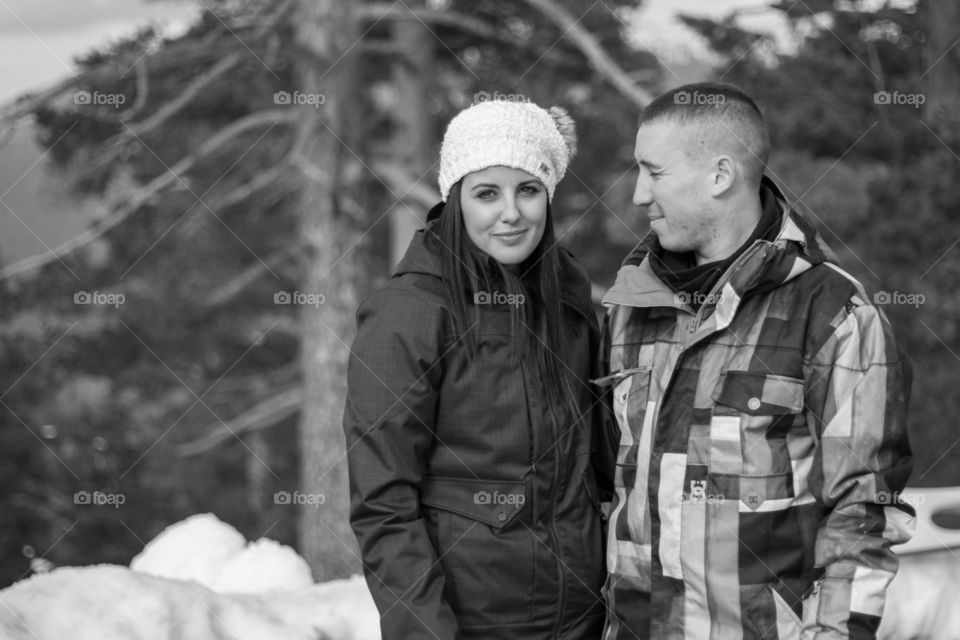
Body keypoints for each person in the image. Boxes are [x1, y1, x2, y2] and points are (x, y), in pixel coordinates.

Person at [597, 82, 914, 640]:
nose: (639, 194)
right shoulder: (628, 307)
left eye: (654, 172)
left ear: (720, 175)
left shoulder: (835, 314)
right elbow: (601, 490)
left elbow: (863, 513)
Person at [343, 100, 608, 640]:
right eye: (487, 193)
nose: (511, 213)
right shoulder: (409, 312)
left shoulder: (567, 301)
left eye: (527, 190)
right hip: (473, 624)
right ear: (455, 199)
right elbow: (383, 503)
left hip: (584, 618)